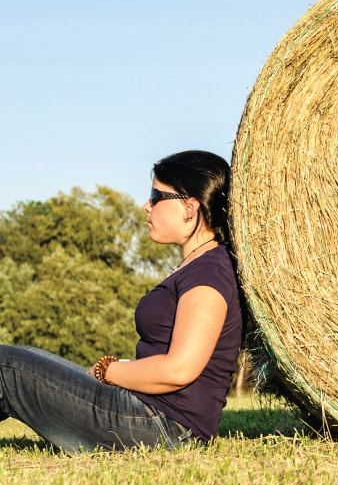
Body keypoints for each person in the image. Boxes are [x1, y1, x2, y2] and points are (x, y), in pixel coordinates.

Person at [0, 150, 243, 452]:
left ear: (190, 207)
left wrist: (108, 370)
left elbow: (179, 369)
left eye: (157, 195)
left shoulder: (209, 270)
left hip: (163, 426)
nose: (146, 205)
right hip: (153, 417)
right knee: (19, 356)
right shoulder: (200, 265)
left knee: (6, 366)